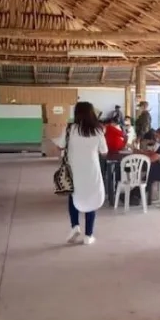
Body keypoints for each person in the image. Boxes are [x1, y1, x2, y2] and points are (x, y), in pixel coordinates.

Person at [54, 102, 108, 246]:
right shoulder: (98, 130)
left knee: (74, 195)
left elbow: (59, 146)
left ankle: (75, 226)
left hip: (74, 169)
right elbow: (104, 152)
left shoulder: (70, 129)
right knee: (92, 199)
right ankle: (88, 235)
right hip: (92, 170)